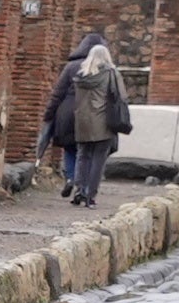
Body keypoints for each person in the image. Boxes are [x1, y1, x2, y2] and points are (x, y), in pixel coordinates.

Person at [41, 29, 130, 207]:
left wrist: (48, 114)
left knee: (81, 155)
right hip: (103, 122)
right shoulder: (111, 73)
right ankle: (91, 194)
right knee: (98, 159)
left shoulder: (78, 74)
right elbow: (121, 98)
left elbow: (58, 94)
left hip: (79, 120)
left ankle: (77, 187)